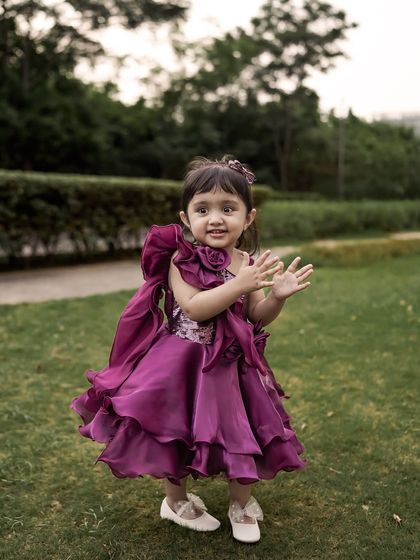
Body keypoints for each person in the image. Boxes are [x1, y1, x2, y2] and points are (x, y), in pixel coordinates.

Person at [70, 155, 314, 543]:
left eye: (228, 209)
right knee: (175, 433)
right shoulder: (179, 260)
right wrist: (239, 284)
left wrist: (277, 297)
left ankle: (240, 504)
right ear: (185, 218)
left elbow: (256, 317)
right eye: (203, 209)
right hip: (183, 362)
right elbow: (195, 307)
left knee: (243, 431)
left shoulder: (246, 262)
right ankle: (176, 501)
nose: (215, 218)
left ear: (248, 218)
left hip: (233, 367)